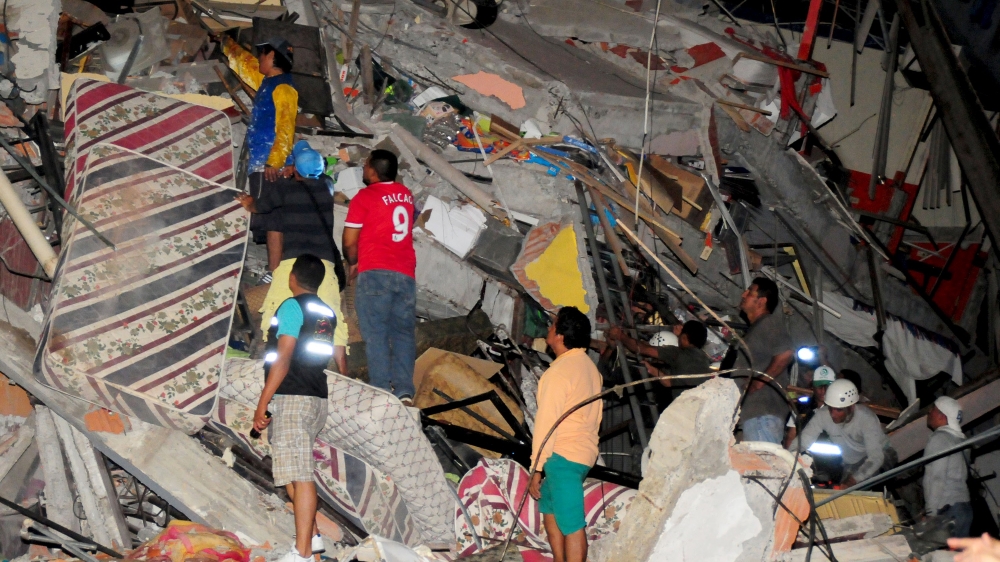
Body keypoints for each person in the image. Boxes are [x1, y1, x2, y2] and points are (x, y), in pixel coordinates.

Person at [236, 141, 348, 375]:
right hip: (324, 266)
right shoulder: (327, 187)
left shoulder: (287, 189)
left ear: (295, 169)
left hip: (292, 264)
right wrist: (296, 172)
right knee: (332, 317)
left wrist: (249, 203)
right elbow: (321, 175)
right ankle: (343, 373)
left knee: (275, 310)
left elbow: (261, 207)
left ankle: (265, 360)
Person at [252, 255, 332, 562]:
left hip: (294, 398)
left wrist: (262, 403)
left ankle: (302, 554)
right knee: (288, 475)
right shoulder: (325, 312)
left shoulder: (291, 306)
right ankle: (313, 541)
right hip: (315, 398)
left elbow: (283, 358)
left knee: (299, 475)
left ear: (292, 278)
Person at [528, 307, 602, 562]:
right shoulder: (590, 368)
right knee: (548, 502)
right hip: (583, 454)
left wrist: (536, 468)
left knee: (572, 523)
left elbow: (546, 424)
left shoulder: (558, 373)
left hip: (564, 456)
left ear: (560, 335)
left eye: (552, 325)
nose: (549, 329)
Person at [342, 150, 417, 402]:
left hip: (375, 271)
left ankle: (382, 390)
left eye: (365, 165)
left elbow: (349, 241)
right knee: (403, 334)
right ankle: (405, 389)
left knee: (376, 334)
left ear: (373, 170)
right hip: (405, 272)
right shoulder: (405, 195)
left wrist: (353, 263)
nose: (363, 169)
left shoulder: (364, 197)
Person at [221, 34, 298, 278]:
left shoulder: (284, 88)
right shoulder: (269, 82)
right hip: (262, 161)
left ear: (272, 56)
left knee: (273, 217)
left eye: (262, 54)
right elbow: (247, 67)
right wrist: (227, 44)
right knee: (267, 216)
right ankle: (274, 269)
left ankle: (274, 272)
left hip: (270, 163)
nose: (258, 59)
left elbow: (286, 128)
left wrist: (274, 162)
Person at [792, 379, 896, 487]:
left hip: (882, 457)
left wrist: (852, 481)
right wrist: (787, 457)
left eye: (838, 410)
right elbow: (803, 440)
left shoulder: (866, 419)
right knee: (841, 493)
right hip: (851, 462)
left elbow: (876, 458)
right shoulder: (822, 415)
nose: (833, 414)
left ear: (851, 407)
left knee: (858, 487)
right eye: (831, 409)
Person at [734, 277, 795, 443]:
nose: (743, 294)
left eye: (749, 291)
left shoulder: (768, 323)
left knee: (762, 466)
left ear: (761, 301)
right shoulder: (756, 330)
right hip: (753, 415)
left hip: (762, 415)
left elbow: (786, 353)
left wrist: (760, 382)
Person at [607, 321, 711, 389]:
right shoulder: (704, 359)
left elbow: (641, 349)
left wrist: (619, 335)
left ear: (684, 338)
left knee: (621, 374)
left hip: (676, 406)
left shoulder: (677, 353)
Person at [923, 396, 972, 538]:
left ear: (941, 416)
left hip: (948, 510)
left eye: (932, 409)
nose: (929, 413)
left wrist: (931, 513)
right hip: (963, 508)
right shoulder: (961, 441)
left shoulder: (940, 439)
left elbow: (937, 479)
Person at [785, 364, 837, 447]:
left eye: (827, 386)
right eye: (819, 386)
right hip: (803, 455)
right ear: (812, 386)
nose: (823, 390)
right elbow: (791, 436)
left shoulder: (841, 409)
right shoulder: (801, 407)